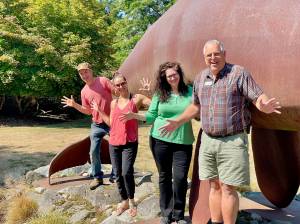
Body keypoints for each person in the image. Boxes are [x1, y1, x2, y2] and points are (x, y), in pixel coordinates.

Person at [159, 40, 281, 224]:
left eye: (216, 54)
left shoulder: (238, 73)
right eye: (209, 55)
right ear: (205, 58)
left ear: (225, 54)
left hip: (232, 140)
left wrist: (263, 105)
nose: (213, 58)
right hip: (208, 140)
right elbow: (195, 107)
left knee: (228, 188)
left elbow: (257, 96)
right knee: (213, 185)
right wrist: (178, 120)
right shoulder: (201, 78)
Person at [121, 62, 194, 224]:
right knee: (164, 176)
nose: (172, 77)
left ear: (179, 74)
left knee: (181, 177)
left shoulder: (190, 92)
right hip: (160, 140)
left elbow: (197, 111)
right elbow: (151, 116)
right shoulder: (160, 94)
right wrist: (134, 115)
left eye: (175, 74)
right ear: (164, 78)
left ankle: (179, 214)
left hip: (183, 141)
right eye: (169, 76)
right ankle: (166, 214)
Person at [92, 72, 151, 217]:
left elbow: (156, 107)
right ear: (115, 87)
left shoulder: (136, 98)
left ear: (126, 82)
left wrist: (148, 91)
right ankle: (123, 201)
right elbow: (111, 123)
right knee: (118, 174)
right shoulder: (114, 103)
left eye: (122, 83)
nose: (120, 86)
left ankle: (131, 201)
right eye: (117, 85)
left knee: (126, 172)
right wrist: (99, 111)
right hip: (114, 142)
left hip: (130, 142)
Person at [61, 62, 115, 190]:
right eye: (81, 73)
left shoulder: (103, 81)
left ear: (91, 71)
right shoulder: (84, 91)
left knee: (116, 149)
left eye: (86, 71)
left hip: (112, 122)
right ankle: (97, 177)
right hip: (97, 124)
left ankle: (115, 175)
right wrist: (74, 105)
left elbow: (117, 92)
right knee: (93, 150)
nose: (84, 75)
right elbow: (88, 111)